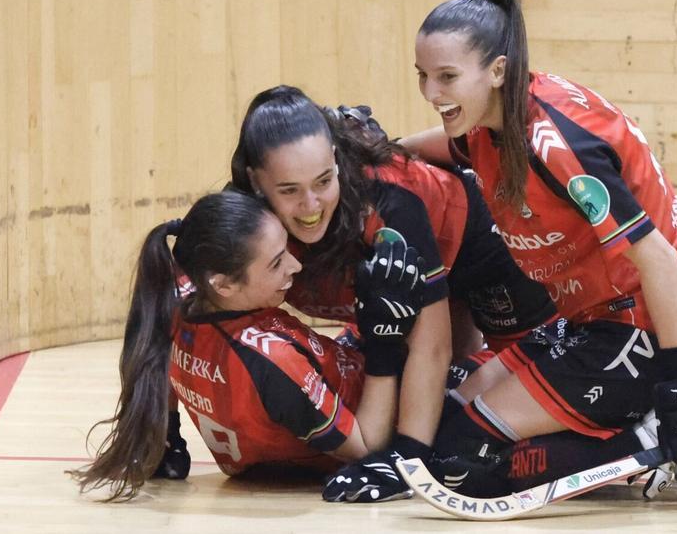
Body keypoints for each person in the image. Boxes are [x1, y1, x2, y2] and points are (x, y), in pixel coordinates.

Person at [400, 0, 677, 501]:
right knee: (449, 413)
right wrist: (379, 149)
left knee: (462, 457)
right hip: (587, 322)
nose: (432, 93)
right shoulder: (488, 121)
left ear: (497, 71)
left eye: (447, 77)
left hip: (639, 331)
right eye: (423, 77)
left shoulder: (556, 147)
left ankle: (652, 435)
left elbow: (657, 256)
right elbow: (447, 147)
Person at [228, 86, 558, 502]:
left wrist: (408, 460)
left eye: (323, 181)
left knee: (512, 398)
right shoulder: (238, 219)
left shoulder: (387, 204)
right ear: (257, 183)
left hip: (478, 245)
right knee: (425, 394)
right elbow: (181, 297)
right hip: (416, 259)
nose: (310, 206)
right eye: (289, 190)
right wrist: (162, 427)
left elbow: (433, 348)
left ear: (335, 158)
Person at [70, 190, 429, 501]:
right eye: (276, 263)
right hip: (375, 406)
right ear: (224, 284)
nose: (295, 265)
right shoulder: (273, 364)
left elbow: (152, 350)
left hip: (320, 380)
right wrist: (386, 343)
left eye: (286, 248)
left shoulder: (182, 296)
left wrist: (166, 435)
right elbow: (367, 445)